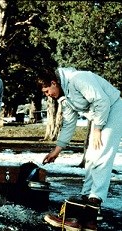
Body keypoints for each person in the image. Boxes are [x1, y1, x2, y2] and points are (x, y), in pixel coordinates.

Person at [36, 67, 122, 231]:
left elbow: (102, 100)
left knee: (101, 158)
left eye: (47, 91)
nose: (48, 95)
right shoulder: (64, 96)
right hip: (101, 116)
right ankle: (84, 212)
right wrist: (57, 149)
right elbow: (69, 123)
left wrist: (97, 128)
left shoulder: (78, 79)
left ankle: (91, 214)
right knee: (90, 159)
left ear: (54, 83)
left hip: (113, 110)